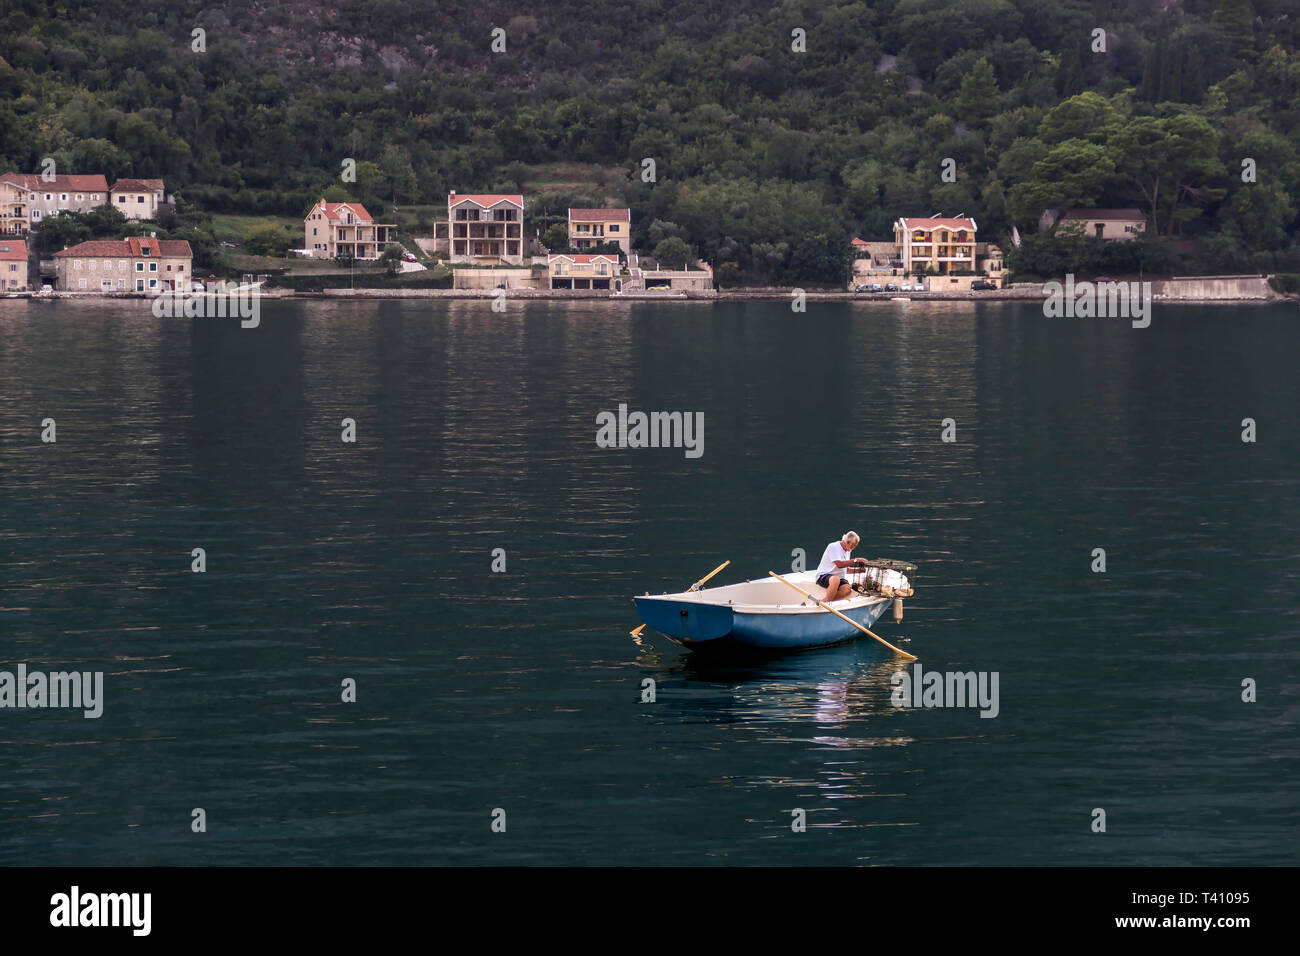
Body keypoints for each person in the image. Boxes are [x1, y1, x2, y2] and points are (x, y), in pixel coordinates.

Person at [816, 531, 867, 601]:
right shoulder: (833, 546)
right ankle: (827, 602)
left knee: (847, 588)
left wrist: (859, 570)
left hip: (838, 578)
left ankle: (824, 601)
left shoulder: (848, 550)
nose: (854, 547)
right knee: (835, 580)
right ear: (848, 542)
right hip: (824, 575)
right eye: (854, 545)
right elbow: (839, 565)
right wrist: (855, 560)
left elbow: (845, 569)